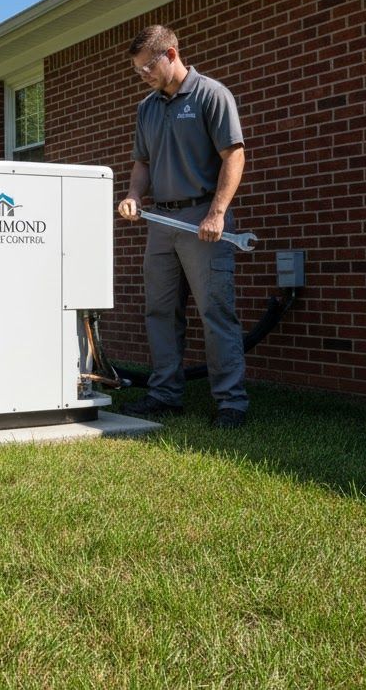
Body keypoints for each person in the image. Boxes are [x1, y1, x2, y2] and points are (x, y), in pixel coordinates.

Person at [117, 25, 248, 429]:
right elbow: (143, 163)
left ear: (171, 55)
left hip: (203, 218)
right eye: (138, 70)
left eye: (147, 67)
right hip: (161, 221)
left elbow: (234, 156)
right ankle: (164, 395)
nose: (144, 76)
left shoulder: (212, 95)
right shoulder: (147, 108)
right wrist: (135, 196)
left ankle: (231, 403)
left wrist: (217, 212)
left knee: (215, 312)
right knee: (160, 311)